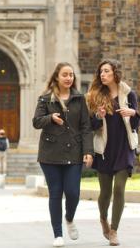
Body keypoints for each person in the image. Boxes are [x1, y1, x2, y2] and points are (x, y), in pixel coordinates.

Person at [33, 62, 94, 247]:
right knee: (55, 193)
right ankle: (57, 234)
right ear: (57, 77)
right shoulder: (45, 99)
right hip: (50, 154)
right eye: (65, 75)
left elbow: (86, 127)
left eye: (71, 75)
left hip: (74, 153)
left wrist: (88, 152)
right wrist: (50, 118)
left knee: (73, 193)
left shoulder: (79, 99)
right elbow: (36, 122)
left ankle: (69, 218)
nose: (69, 78)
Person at [86, 59, 140, 247]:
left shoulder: (129, 93)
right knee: (105, 192)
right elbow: (91, 126)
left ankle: (114, 230)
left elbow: (135, 125)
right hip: (105, 150)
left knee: (119, 188)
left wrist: (133, 114)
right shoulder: (95, 96)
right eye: (101, 72)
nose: (103, 75)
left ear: (115, 73)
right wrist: (98, 117)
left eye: (106, 71)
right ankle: (103, 219)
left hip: (124, 148)